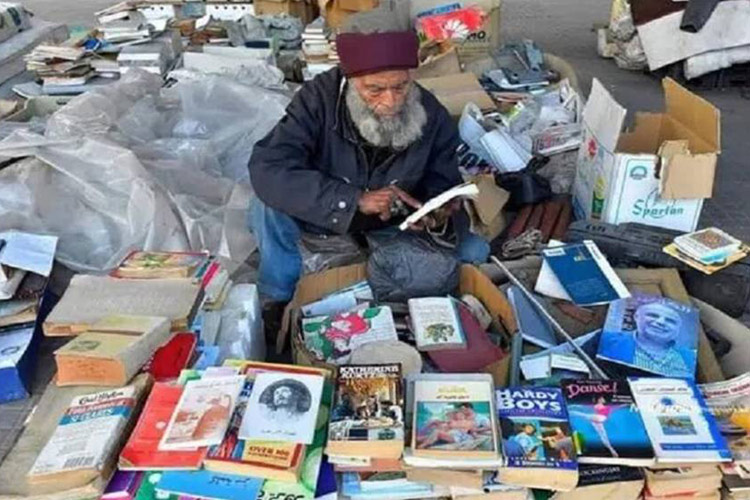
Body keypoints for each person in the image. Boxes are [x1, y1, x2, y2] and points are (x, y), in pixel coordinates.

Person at [248, 6, 490, 313]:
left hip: (391, 225)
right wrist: (353, 200)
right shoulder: (318, 100)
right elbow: (268, 166)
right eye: (374, 89)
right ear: (351, 81)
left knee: (474, 249)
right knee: (267, 204)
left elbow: (442, 182)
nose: (390, 101)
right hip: (322, 215)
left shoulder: (432, 113)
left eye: (400, 86)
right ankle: (278, 299)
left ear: (411, 77)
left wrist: (437, 213)